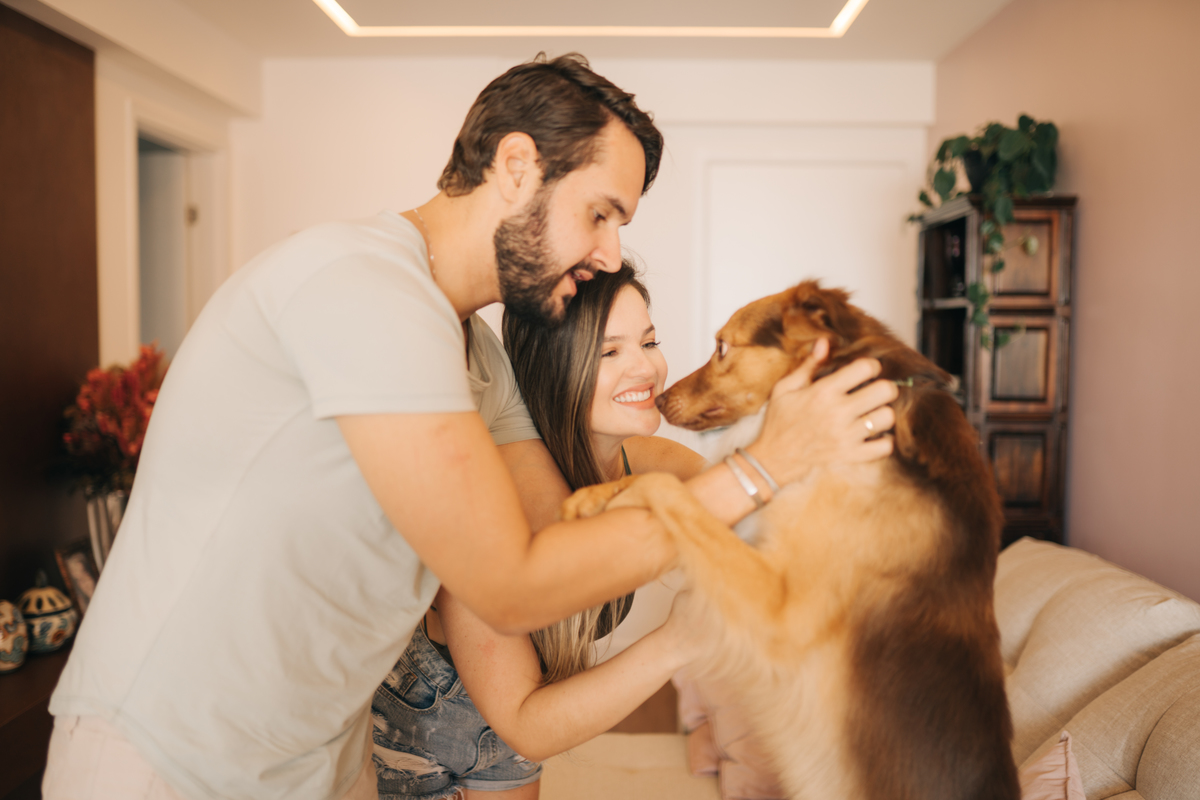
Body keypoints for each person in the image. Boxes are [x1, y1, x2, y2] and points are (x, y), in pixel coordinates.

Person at [44, 53, 897, 800]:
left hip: (315, 758)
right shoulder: (360, 286)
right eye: (600, 213)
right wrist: (762, 467)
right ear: (516, 167)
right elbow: (512, 584)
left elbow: (552, 532)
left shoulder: (476, 352)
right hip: (170, 755)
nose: (608, 254)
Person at [371, 264, 706, 800]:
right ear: (552, 369)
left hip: (524, 709)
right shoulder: (494, 496)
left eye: (649, 342)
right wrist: (679, 640)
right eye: (609, 352)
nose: (646, 367)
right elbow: (525, 722)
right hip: (422, 715)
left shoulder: (640, 461)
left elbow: (743, 500)